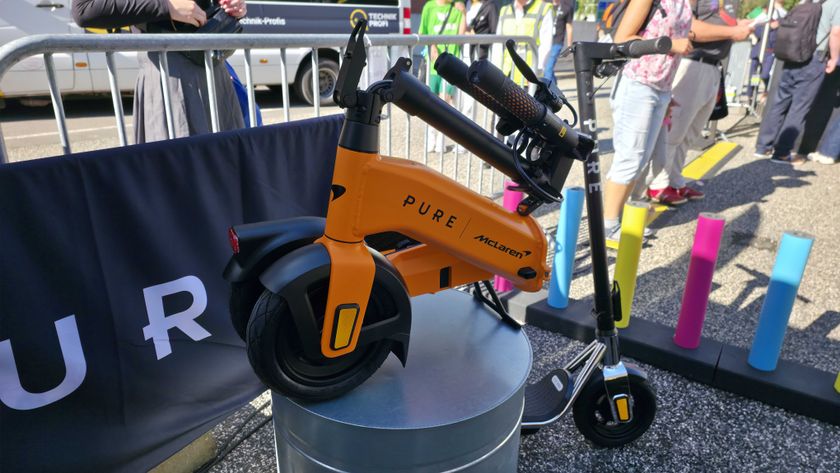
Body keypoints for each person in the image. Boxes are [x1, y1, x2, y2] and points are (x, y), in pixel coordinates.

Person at [72, 0, 247, 144]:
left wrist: (233, 7)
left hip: (215, 72)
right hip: (170, 76)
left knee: (226, 168)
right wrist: (166, 7)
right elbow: (85, 9)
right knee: (179, 172)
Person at [639, 1, 753, 204]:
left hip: (710, 65)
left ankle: (674, 181)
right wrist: (732, 31)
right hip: (693, 62)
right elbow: (689, 25)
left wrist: (735, 27)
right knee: (674, 131)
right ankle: (658, 184)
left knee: (690, 132)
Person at [601, 0, 694, 242]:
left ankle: (617, 220)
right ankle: (607, 226)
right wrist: (671, 45)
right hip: (638, 83)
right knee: (630, 158)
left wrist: (667, 93)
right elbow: (623, 39)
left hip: (660, 87)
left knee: (640, 159)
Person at [754, 0, 840, 165]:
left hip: (792, 54)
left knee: (780, 102)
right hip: (815, 58)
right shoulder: (836, 4)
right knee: (799, 107)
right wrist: (834, 58)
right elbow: (836, 33)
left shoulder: (805, 1)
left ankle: (763, 147)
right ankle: (782, 152)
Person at [419, 0, 467, 152]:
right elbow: (422, 31)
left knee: (445, 102)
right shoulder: (429, 6)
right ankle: (431, 138)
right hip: (433, 65)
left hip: (451, 66)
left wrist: (464, 14)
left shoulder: (457, 7)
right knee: (431, 103)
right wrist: (432, 45)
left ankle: (441, 140)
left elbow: (461, 36)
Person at [493, 0, 554, 86]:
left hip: (528, 78)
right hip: (506, 76)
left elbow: (546, 44)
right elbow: (497, 46)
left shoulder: (543, 8)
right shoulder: (505, 10)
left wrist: (536, 72)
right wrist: (495, 72)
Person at [542, 0, 575, 82]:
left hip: (557, 42)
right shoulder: (546, 5)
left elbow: (569, 27)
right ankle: (554, 87)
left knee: (548, 69)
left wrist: (569, 46)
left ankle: (548, 92)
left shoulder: (567, 7)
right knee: (545, 67)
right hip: (546, 41)